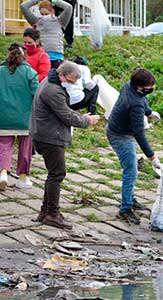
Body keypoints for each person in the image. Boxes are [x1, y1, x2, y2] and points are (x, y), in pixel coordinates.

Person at [30, 61, 99, 229]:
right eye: (71, 80)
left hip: (43, 133)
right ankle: (53, 214)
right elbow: (66, 115)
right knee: (57, 174)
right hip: (50, 137)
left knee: (53, 174)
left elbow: (63, 111)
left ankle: (45, 211)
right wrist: (86, 120)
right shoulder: (53, 91)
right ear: (61, 75)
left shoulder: (49, 81)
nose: (73, 84)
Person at [106, 68, 161, 225]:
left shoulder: (129, 86)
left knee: (131, 169)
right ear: (139, 87)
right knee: (131, 170)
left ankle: (129, 198)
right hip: (120, 135)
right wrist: (152, 156)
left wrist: (149, 112)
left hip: (120, 128)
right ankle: (125, 209)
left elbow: (143, 101)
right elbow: (139, 133)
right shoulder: (134, 104)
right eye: (148, 88)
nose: (151, 90)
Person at [0, 43, 39, 191]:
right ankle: (23, 178)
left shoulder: (0, 71)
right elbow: (37, 95)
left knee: (3, 146)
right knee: (25, 148)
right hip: (25, 117)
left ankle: (3, 173)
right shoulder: (30, 73)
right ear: (24, 56)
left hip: (3, 116)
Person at [21, 0, 73, 69]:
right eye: (42, 14)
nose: (44, 17)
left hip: (57, 58)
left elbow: (69, 8)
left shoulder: (60, 21)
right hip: (42, 57)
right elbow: (23, 6)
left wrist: (55, 1)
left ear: (52, 11)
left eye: (46, 14)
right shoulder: (36, 21)